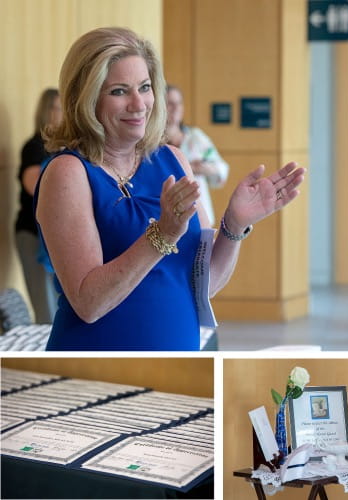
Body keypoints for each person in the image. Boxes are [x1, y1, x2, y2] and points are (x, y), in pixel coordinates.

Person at [34, 27, 306, 351]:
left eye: (145, 87)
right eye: (120, 91)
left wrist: (233, 226)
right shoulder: (68, 173)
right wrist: (161, 236)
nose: (139, 104)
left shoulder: (173, 159)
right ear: (87, 97)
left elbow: (204, 287)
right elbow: (89, 304)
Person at [15, 88, 62, 324]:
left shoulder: (64, 148)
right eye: (59, 107)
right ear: (47, 111)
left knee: (57, 306)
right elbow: (37, 188)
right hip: (33, 235)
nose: (64, 113)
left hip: (55, 238)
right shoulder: (34, 147)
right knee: (46, 310)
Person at [166, 84, 229, 225]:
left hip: (200, 216)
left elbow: (221, 169)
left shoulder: (196, 138)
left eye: (179, 103)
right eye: (170, 103)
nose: (176, 108)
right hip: (164, 218)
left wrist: (203, 168)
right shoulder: (152, 141)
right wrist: (187, 166)